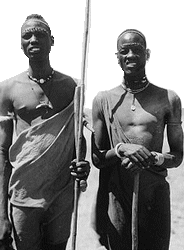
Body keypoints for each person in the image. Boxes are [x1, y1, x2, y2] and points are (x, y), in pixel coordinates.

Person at [0, 14, 90, 250]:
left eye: (39, 34)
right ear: (20, 44)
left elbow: (77, 138)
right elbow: (1, 151)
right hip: (23, 193)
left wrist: (82, 164)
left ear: (52, 41)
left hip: (60, 192)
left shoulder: (71, 86)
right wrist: (1, 213)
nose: (32, 39)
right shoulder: (8, 89)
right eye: (26, 35)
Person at [91, 29, 183, 250]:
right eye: (124, 51)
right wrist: (122, 149)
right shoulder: (104, 100)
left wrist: (154, 158)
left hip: (154, 196)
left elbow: (178, 155)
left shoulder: (168, 99)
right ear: (118, 57)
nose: (130, 55)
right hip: (118, 195)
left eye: (136, 50)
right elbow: (97, 158)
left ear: (147, 54)